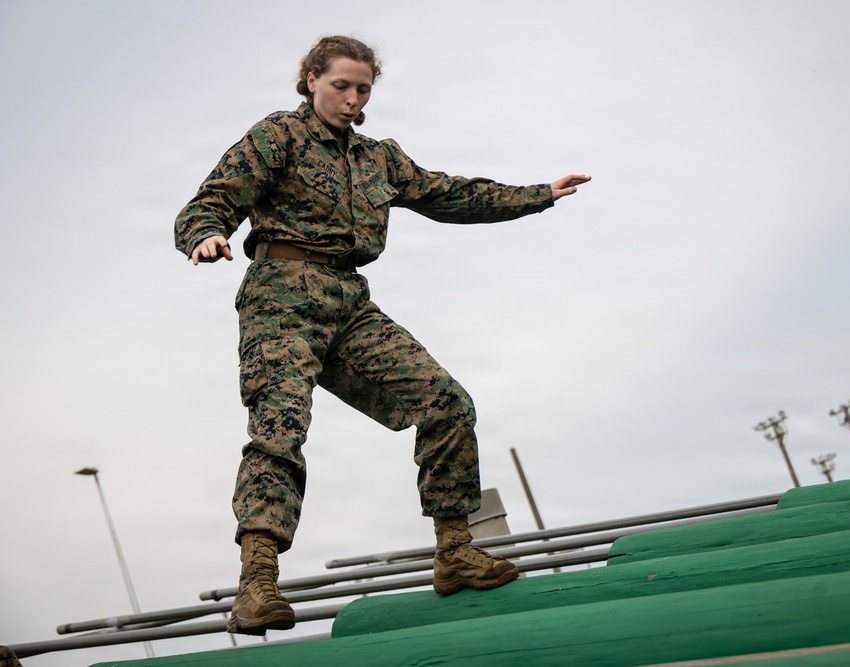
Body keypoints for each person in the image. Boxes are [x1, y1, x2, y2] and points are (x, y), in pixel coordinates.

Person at [175, 35, 589, 635]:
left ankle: (454, 550)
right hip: (282, 296)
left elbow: (450, 194)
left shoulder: (380, 158)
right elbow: (209, 201)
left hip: (348, 302)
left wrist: (539, 195)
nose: (351, 98)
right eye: (340, 85)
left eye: (363, 88)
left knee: (447, 403)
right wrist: (207, 235)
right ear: (311, 80)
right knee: (280, 428)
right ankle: (256, 582)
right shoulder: (277, 137)